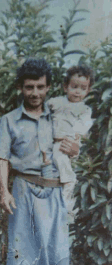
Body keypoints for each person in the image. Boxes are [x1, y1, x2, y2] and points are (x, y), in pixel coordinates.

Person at [0, 58, 79, 265]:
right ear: (21, 87)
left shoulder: (59, 117)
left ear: (48, 87)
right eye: (29, 87)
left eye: (40, 87)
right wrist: (4, 191)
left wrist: (75, 150)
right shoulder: (9, 120)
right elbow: (1, 158)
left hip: (54, 191)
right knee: (21, 242)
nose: (35, 92)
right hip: (23, 188)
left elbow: (73, 150)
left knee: (57, 246)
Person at [45, 65, 94, 221]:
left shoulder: (86, 110)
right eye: (74, 87)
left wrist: (77, 143)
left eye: (83, 88)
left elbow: (84, 129)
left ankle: (68, 210)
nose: (77, 92)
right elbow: (45, 110)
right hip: (57, 144)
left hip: (73, 145)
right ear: (65, 87)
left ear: (88, 90)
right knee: (64, 175)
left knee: (71, 179)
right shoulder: (57, 102)